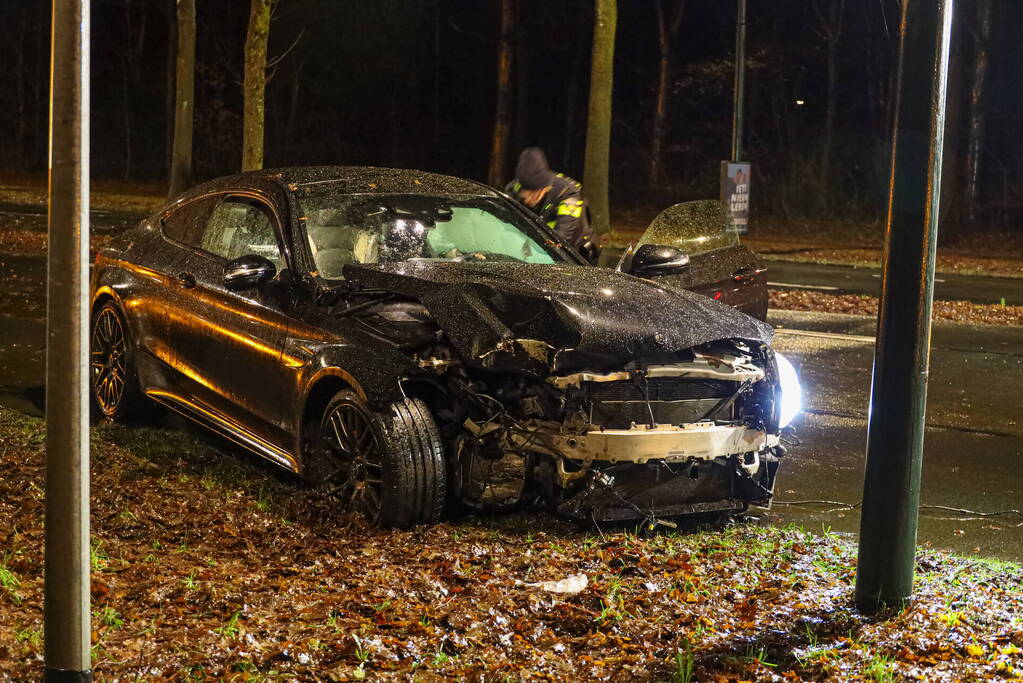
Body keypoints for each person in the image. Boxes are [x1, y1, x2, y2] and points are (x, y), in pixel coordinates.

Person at [505, 147, 592, 254]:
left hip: (575, 251)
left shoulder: (568, 194)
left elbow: (561, 240)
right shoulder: (514, 189)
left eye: (533, 195)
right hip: (536, 244)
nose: (527, 200)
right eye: (524, 195)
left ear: (545, 188)